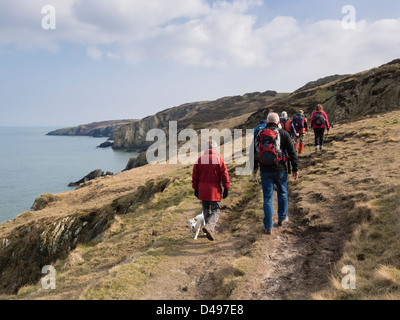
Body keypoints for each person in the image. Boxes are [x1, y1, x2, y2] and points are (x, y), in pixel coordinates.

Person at [253, 113, 299, 235]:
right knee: (282, 193)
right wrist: (295, 168)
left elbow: (254, 152)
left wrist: (254, 168)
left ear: (267, 122)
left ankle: (268, 226)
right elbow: (292, 152)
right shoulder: (283, 133)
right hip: (280, 169)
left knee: (268, 197)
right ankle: (282, 218)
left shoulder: (259, 134)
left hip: (264, 170)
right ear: (278, 122)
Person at [192, 140, 230, 241]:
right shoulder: (218, 159)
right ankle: (209, 227)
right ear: (215, 148)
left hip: (203, 190)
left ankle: (210, 229)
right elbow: (224, 175)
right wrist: (226, 188)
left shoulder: (200, 160)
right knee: (216, 210)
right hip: (214, 190)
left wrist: (195, 189)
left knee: (206, 209)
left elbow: (195, 176)